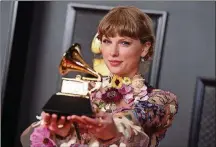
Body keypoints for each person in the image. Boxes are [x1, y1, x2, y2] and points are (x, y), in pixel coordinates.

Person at [21, 6, 178, 147]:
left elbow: (139, 118)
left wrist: (113, 129)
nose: (112, 52)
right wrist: (59, 133)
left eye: (124, 43)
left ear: (144, 48)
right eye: (107, 41)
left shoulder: (162, 100)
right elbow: (26, 139)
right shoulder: (85, 91)